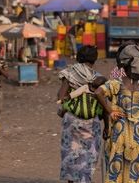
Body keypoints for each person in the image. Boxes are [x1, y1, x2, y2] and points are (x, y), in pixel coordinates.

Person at [96, 44, 139, 183]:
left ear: (124, 66)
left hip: (119, 137)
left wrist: (111, 111)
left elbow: (98, 93)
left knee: (117, 174)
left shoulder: (115, 83)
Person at [57, 46, 103, 183]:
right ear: (94, 59)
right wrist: (106, 126)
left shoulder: (70, 73)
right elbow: (103, 102)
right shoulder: (98, 78)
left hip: (72, 120)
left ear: (79, 57)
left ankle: (71, 181)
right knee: (89, 154)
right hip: (92, 123)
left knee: (71, 152)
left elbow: (61, 96)